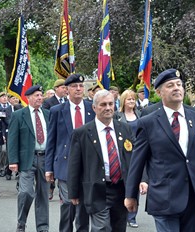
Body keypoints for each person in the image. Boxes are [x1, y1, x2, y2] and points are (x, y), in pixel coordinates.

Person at [124, 68, 195, 232]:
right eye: (170, 85)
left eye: (179, 84)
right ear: (159, 92)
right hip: (164, 197)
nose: (176, 88)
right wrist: (131, 195)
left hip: (194, 197)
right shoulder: (148, 123)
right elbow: (137, 162)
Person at [67, 89, 134, 232]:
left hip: (121, 189)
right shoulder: (82, 133)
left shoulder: (125, 129)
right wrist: (73, 193)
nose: (108, 108)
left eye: (111, 104)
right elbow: (74, 165)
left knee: (119, 227)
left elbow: (133, 158)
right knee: (101, 228)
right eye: (103, 104)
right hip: (96, 190)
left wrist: (141, 180)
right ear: (94, 107)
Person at [45, 73, 94, 231]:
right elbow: (51, 141)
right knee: (68, 204)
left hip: (87, 164)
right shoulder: (57, 110)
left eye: (81, 86)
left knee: (84, 206)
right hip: (65, 165)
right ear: (67, 89)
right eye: (74, 86)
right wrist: (49, 168)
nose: (79, 89)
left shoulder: (91, 108)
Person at [8, 85, 49, 232]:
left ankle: (43, 227)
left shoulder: (48, 114)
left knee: (43, 194)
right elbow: (12, 139)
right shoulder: (19, 115)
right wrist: (12, 160)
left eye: (41, 95)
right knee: (26, 192)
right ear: (29, 98)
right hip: (27, 159)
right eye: (37, 95)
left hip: (45, 158)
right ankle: (21, 221)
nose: (40, 98)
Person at [115, 89, 141, 228]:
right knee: (123, 184)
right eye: (129, 99)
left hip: (138, 153)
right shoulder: (117, 115)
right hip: (122, 154)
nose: (131, 101)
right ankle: (122, 212)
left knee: (135, 183)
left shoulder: (140, 114)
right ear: (123, 101)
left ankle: (132, 216)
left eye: (133, 99)